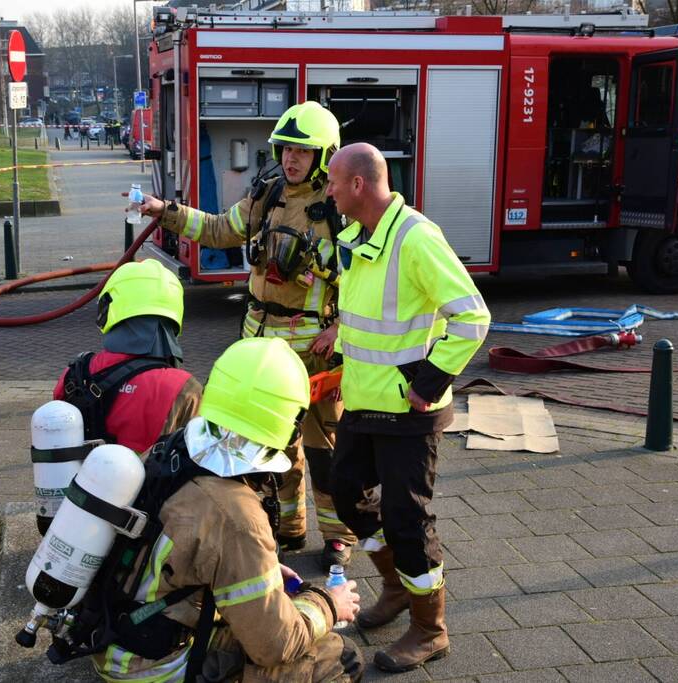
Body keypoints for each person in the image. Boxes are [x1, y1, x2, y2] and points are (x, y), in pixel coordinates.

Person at [135, 101, 357, 570]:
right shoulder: (266, 193)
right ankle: (289, 527)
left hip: (315, 354)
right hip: (263, 343)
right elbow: (219, 229)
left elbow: (363, 279)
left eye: (303, 152)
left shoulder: (340, 209)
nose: (291, 159)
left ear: (325, 156)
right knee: (273, 446)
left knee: (325, 450)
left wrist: (340, 328)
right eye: (285, 149)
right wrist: (166, 212)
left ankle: (339, 537)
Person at [90, 337, 364, 682]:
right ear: (288, 423)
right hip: (154, 668)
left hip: (116, 637)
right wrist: (327, 602)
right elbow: (275, 644)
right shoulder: (238, 516)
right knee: (339, 656)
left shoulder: (173, 450)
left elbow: (188, 546)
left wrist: (259, 567)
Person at [325, 143, 491, 673]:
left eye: (333, 181)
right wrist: (340, 356)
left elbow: (472, 318)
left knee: (406, 519)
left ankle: (429, 629)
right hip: (364, 403)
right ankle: (396, 590)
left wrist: (429, 380)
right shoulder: (363, 235)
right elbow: (372, 317)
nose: (327, 190)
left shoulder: (416, 237)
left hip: (407, 411)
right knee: (348, 499)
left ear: (358, 185)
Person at [52, 259, 202, 454]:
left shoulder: (74, 375)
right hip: (151, 484)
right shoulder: (185, 388)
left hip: (84, 483)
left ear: (107, 308)